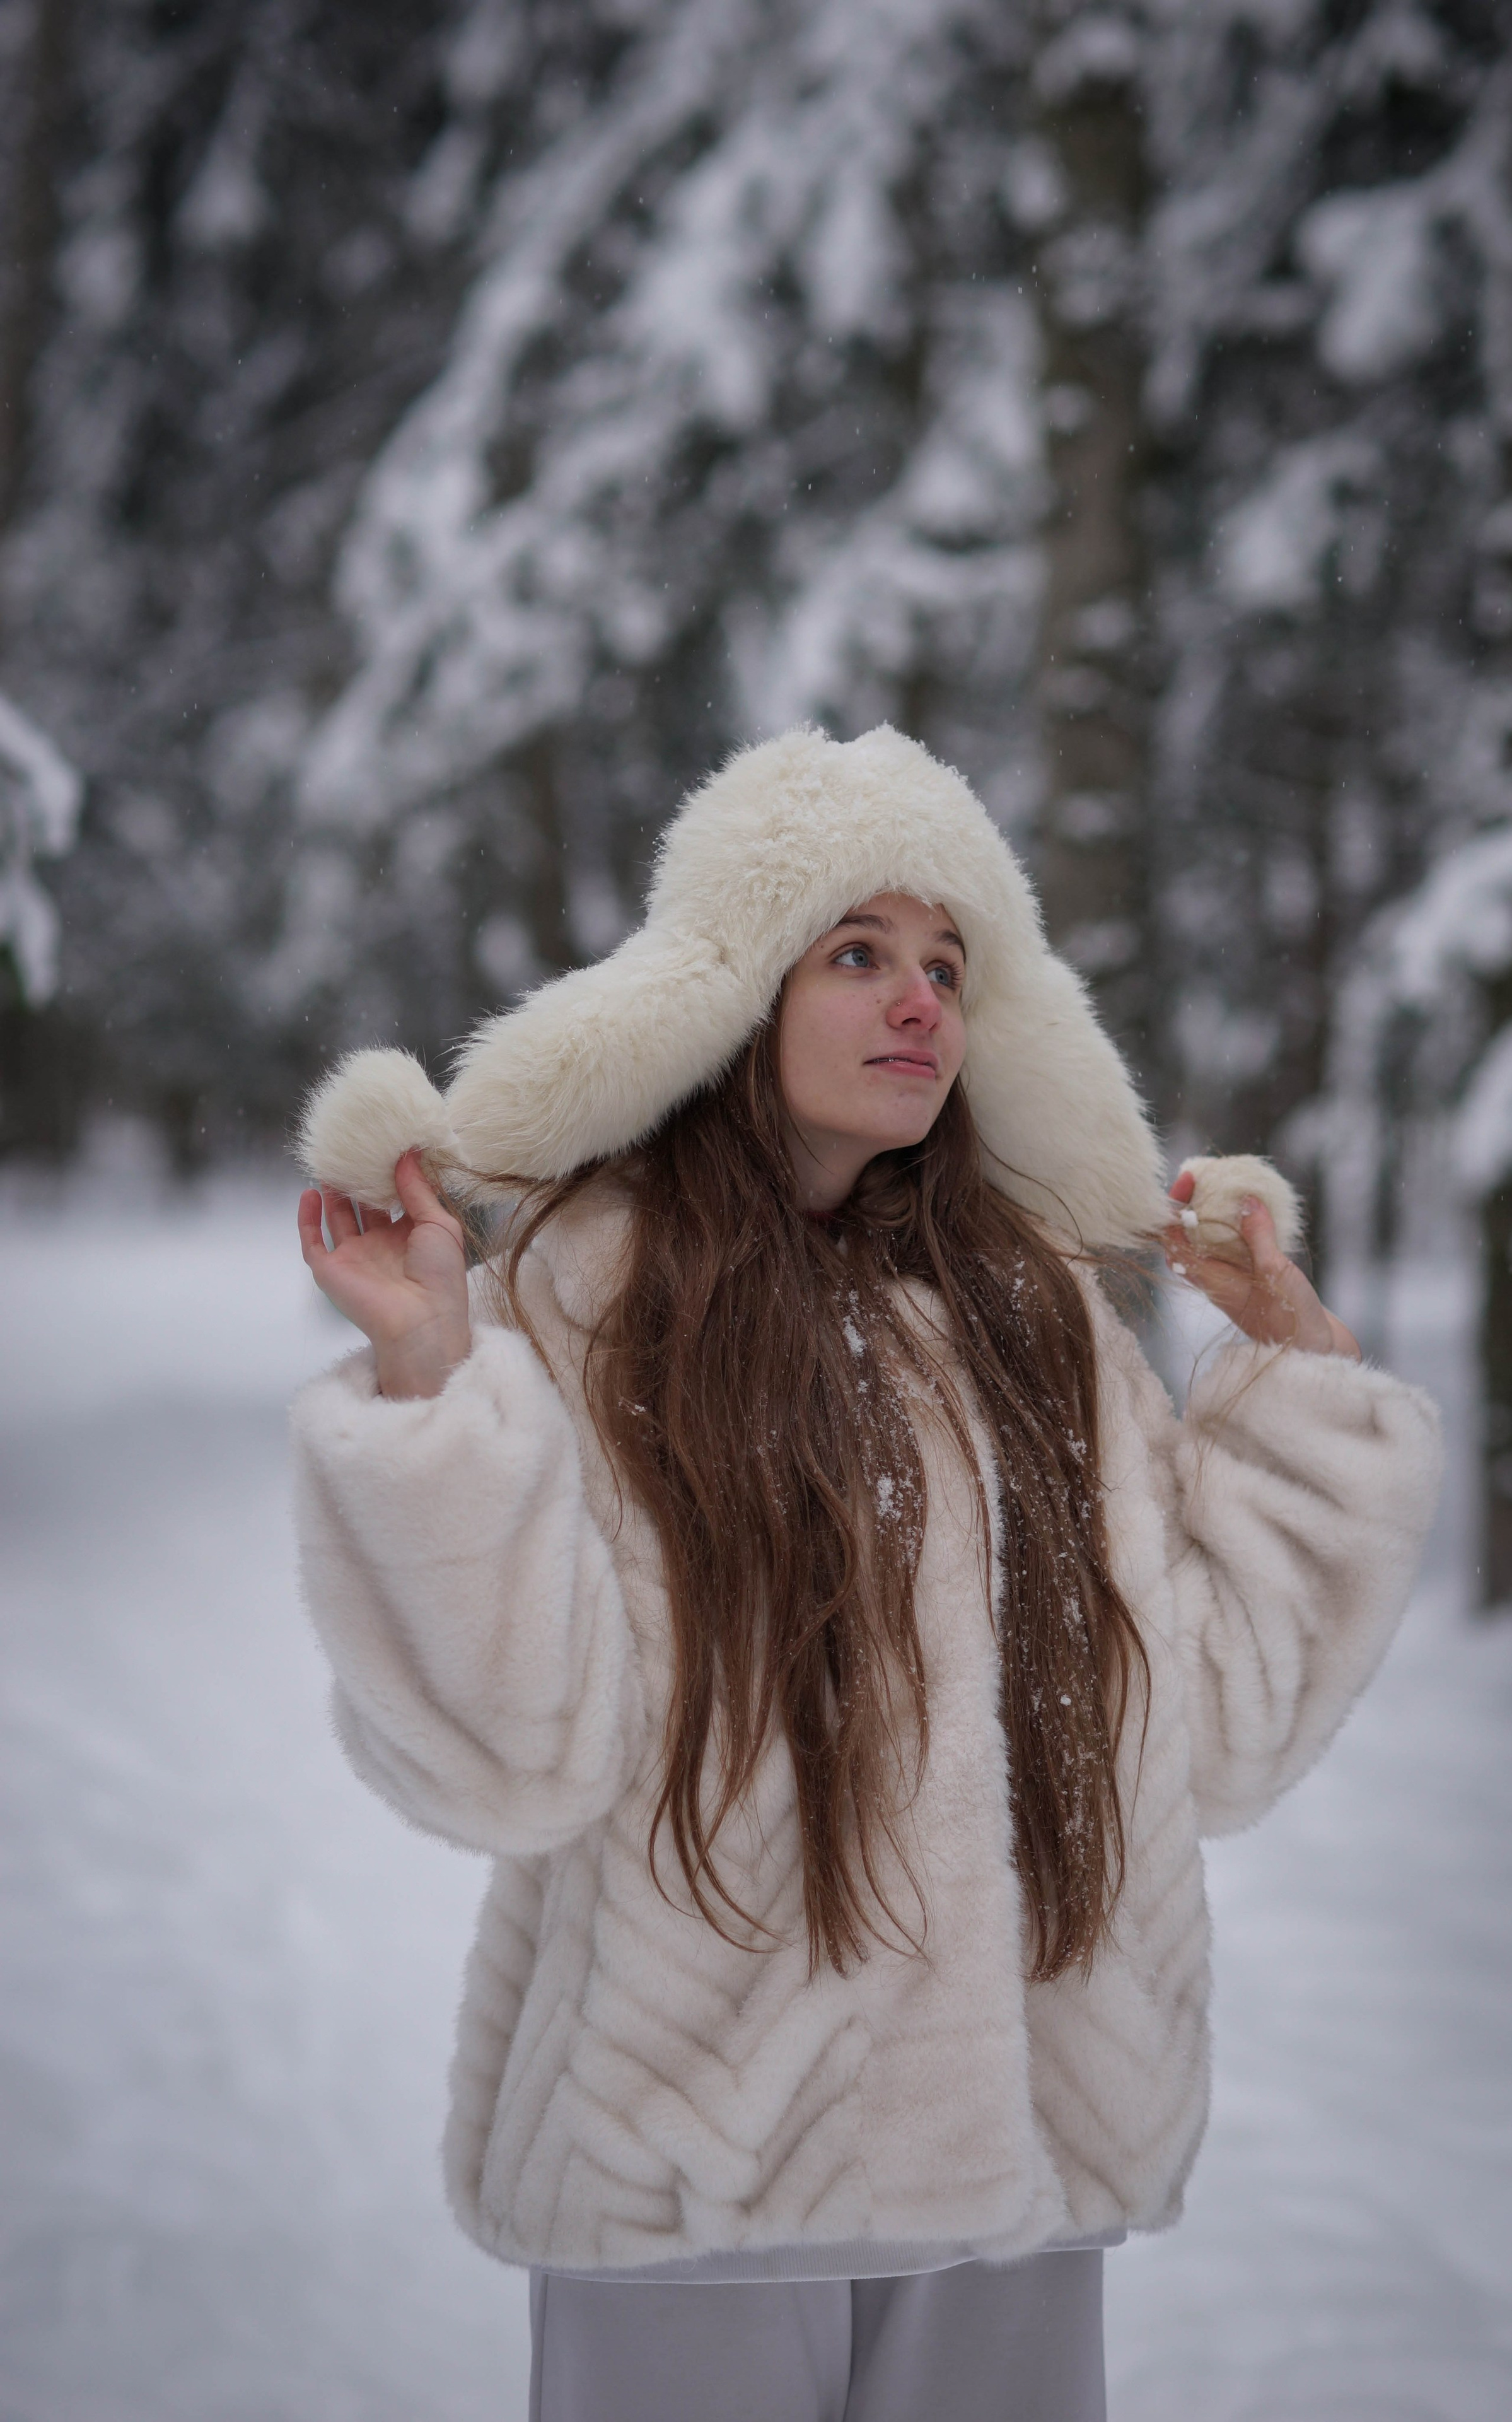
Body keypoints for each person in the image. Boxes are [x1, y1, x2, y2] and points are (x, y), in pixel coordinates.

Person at [290, 726, 1440, 2422]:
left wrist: (1304, 1380)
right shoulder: (591, 1305)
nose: (920, 1004)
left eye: (948, 968)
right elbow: (508, 1759)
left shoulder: (1036, 1320)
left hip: (1021, 2194)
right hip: (692, 2179)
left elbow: (1219, 1728)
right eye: (858, 956)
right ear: (734, 998)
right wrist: (429, 1386)